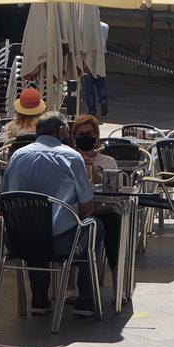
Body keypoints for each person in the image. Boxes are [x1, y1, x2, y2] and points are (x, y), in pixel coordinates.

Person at [0, 111, 104, 317]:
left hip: (17, 241)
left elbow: (4, 196)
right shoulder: (72, 157)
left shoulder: (17, 155)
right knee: (94, 226)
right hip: (60, 243)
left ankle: (39, 297)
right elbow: (86, 208)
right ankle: (85, 300)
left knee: (34, 228)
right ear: (62, 131)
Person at [69, 114, 123, 293]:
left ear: (96, 136)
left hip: (102, 209)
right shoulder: (68, 159)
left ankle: (117, 285)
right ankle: (70, 285)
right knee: (74, 225)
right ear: (74, 137)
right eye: (81, 134)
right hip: (76, 210)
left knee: (113, 222)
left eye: (89, 134)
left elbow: (112, 191)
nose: (85, 138)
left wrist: (92, 169)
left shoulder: (108, 161)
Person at [82, 21, 109, 117]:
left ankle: (92, 109)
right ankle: (103, 100)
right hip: (101, 57)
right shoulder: (105, 26)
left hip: (90, 58)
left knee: (89, 86)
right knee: (100, 82)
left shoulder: (87, 27)